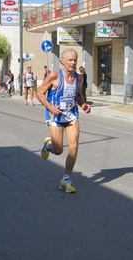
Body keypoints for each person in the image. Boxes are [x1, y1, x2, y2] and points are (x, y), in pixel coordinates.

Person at [36, 48, 91, 194]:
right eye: (70, 60)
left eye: (75, 60)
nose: (73, 63)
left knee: (74, 146)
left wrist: (83, 104)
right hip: (56, 116)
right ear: (63, 61)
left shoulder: (79, 77)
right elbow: (39, 93)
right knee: (59, 149)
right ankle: (48, 146)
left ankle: (65, 179)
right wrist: (49, 107)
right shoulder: (54, 76)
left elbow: (78, 94)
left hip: (71, 115)